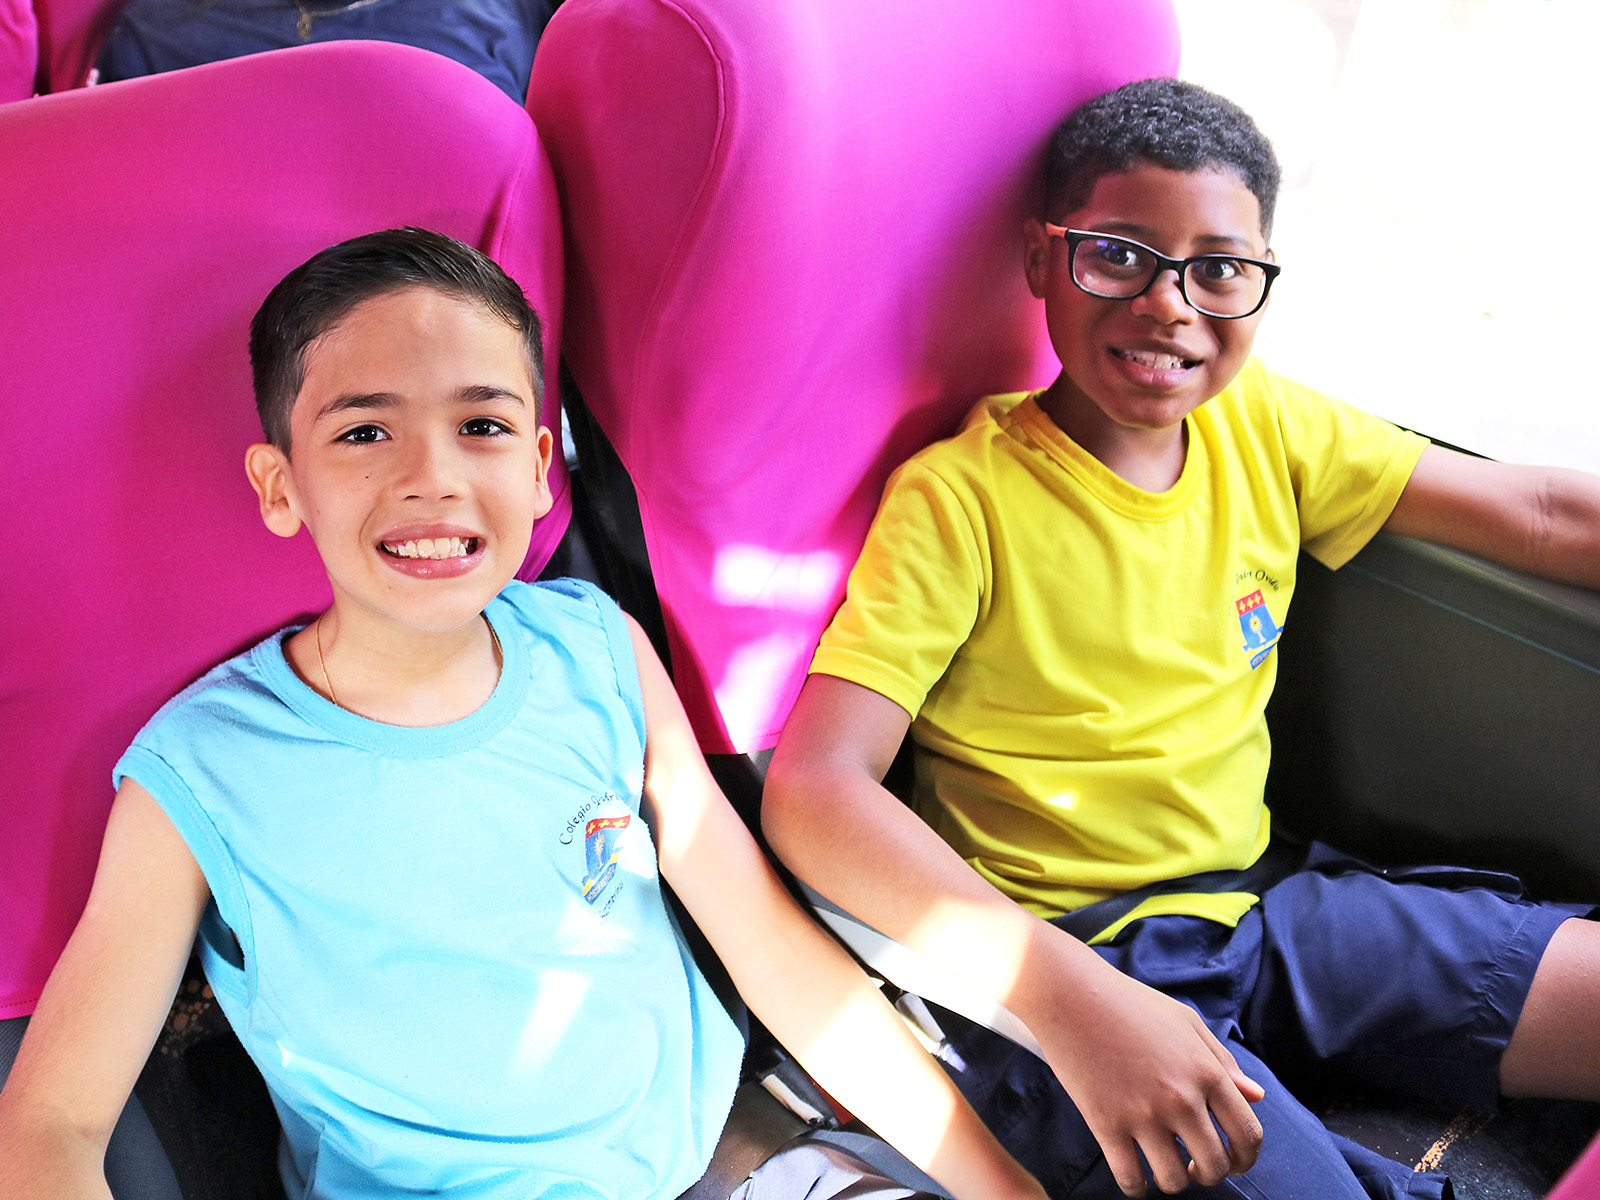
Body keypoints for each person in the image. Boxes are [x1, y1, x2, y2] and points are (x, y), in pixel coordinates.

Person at [0, 228, 1049, 1200]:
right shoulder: (201, 771)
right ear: (282, 488)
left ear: (541, 470)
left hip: (719, 1161)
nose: (433, 478)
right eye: (365, 431)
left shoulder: (596, 649)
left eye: (482, 426)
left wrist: (1004, 1188)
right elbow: (51, 1123)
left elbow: (774, 955)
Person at [762, 78, 1600, 1200]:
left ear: (1260, 280)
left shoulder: (1266, 422)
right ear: (1042, 259)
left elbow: (1537, 513)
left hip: (1258, 907)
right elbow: (816, 789)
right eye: (1118, 256)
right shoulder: (961, 498)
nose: (1169, 305)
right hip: (1073, 957)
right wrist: (1062, 998)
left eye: (1219, 269)